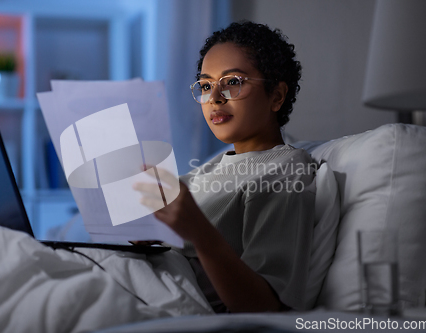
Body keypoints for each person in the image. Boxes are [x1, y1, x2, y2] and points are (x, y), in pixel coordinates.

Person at [134, 21, 316, 313]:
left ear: (277, 96)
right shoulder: (210, 168)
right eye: (206, 86)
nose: (215, 97)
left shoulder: (286, 168)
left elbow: (265, 307)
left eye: (233, 82)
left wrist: (198, 231)